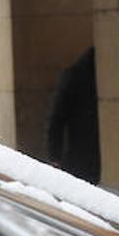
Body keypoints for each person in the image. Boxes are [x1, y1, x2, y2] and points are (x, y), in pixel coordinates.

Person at [43, 47, 100, 184]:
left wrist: (54, 155)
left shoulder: (74, 75)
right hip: (81, 154)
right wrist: (54, 155)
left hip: (82, 155)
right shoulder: (76, 76)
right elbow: (56, 119)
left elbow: (55, 119)